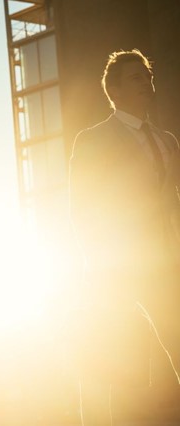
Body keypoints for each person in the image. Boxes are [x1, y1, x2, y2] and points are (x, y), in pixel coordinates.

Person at [69, 49, 180, 425]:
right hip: (116, 268)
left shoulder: (168, 140)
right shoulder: (92, 140)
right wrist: (100, 265)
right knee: (118, 369)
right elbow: (81, 206)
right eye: (136, 77)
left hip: (165, 263)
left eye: (148, 75)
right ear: (112, 91)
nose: (147, 82)